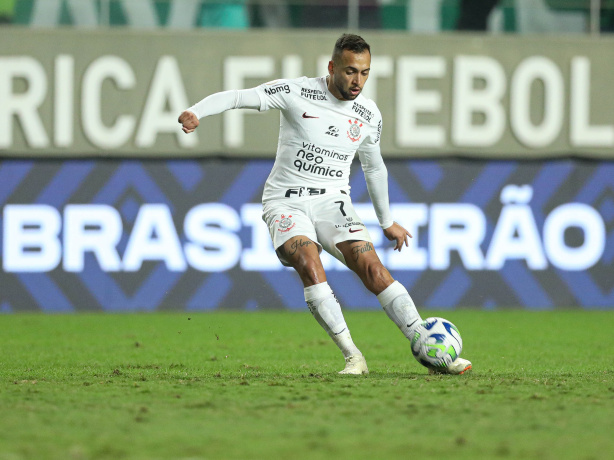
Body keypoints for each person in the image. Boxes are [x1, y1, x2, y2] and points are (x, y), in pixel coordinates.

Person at [178, 33, 472, 376]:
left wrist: (387, 220)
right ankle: (353, 357)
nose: (357, 80)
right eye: (350, 71)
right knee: (307, 259)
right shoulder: (296, 92)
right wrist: (195, 111)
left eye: (364, 73)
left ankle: (428, 347)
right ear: (332, 67)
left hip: (333, 203)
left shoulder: (368, 114)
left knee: (374, 271)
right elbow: (240, 96)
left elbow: (374, 166)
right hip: (286, 203)